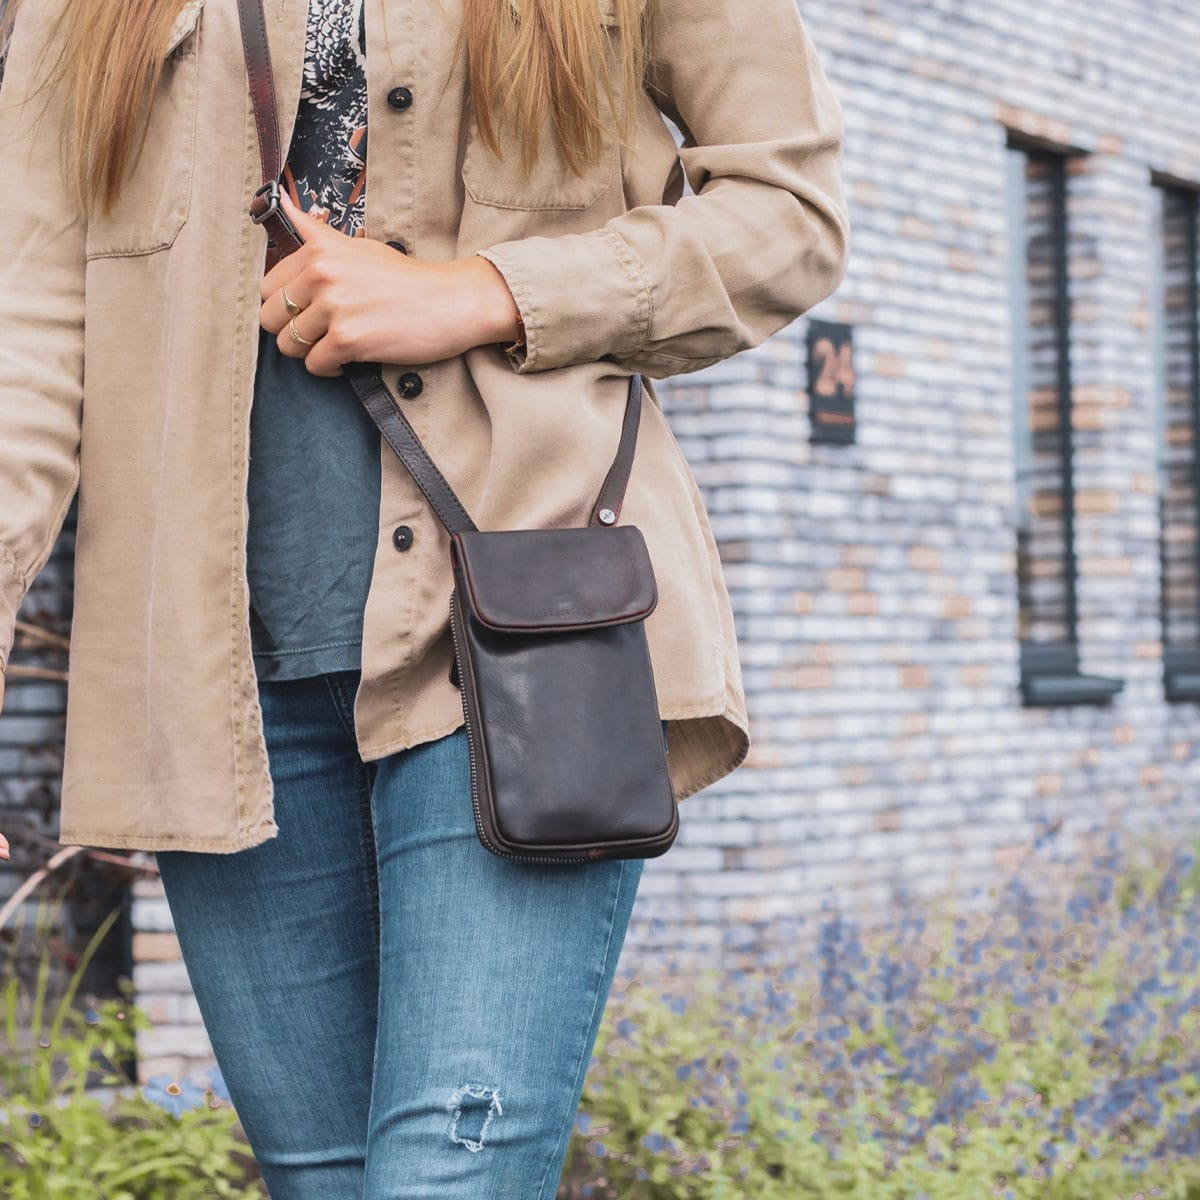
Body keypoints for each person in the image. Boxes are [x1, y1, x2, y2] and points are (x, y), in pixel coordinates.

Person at [0, 0, 849, 1194]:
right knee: (325, 1178)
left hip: (515, 646)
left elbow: (789, 218)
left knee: (445, 1177)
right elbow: (27, 326)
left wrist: (489, 292)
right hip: (215, 670)